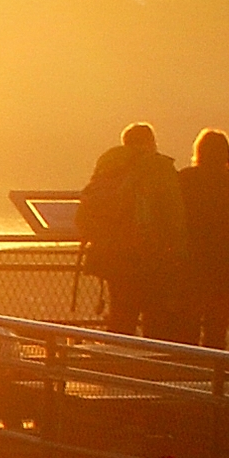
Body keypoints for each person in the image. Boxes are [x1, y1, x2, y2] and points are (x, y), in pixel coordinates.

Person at [76, 122, 185, 334]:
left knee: (121, 315)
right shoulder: (159, 168)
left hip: (112, 256)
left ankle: (116, 363)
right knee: (155, 318)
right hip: (149, 256)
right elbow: (174, 217)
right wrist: (179, 256)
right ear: (149, 142)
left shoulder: (109, 165)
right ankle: (149, 364)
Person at [163, 129, 229, 348]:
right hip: (225, 267)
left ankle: (188, 372)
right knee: (217, 327)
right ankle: (215, 373)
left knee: (187, 323)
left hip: (190, 264)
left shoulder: (184, 180)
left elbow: (170, 218)